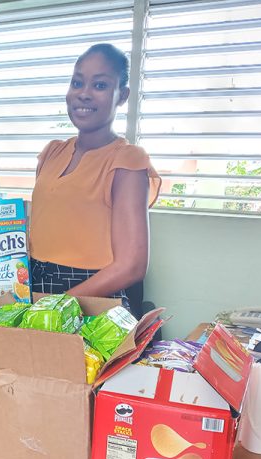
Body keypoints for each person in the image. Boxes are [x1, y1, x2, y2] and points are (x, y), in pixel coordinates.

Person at [29, 43, 161, 307]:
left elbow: (131, 265)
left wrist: (61, 304)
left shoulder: (126, 160)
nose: (84, 94)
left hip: (92, 299)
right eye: (77, 83)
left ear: (122, 96)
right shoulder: (51, 153)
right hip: (37, 290)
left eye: (99, 86)